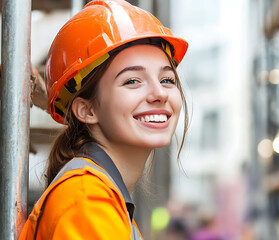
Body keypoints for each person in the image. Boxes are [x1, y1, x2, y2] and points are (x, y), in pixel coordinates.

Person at [19, 0, 188, 239]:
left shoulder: (101, 199)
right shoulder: (87, 201)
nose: (160, 93)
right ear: (86, 110)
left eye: (167, 79)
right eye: (132, 81)